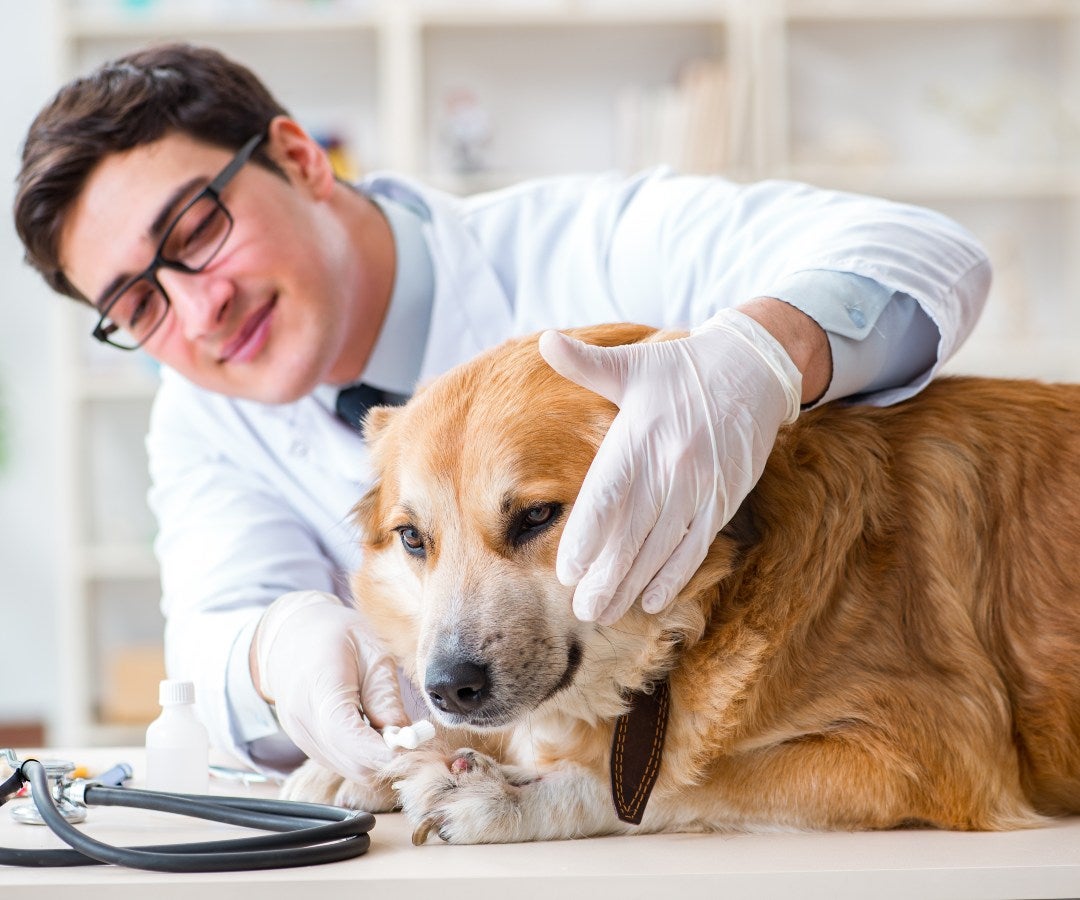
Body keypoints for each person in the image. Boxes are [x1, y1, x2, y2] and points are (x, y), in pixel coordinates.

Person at [15, 44, 990, 784]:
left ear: (301, 158)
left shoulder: (590, 243)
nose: (199, 311)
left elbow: (920, 254)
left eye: (196, 230)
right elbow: (209, 643)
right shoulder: (203, 416)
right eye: (137, 304)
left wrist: (761, 358)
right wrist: (275, 650)